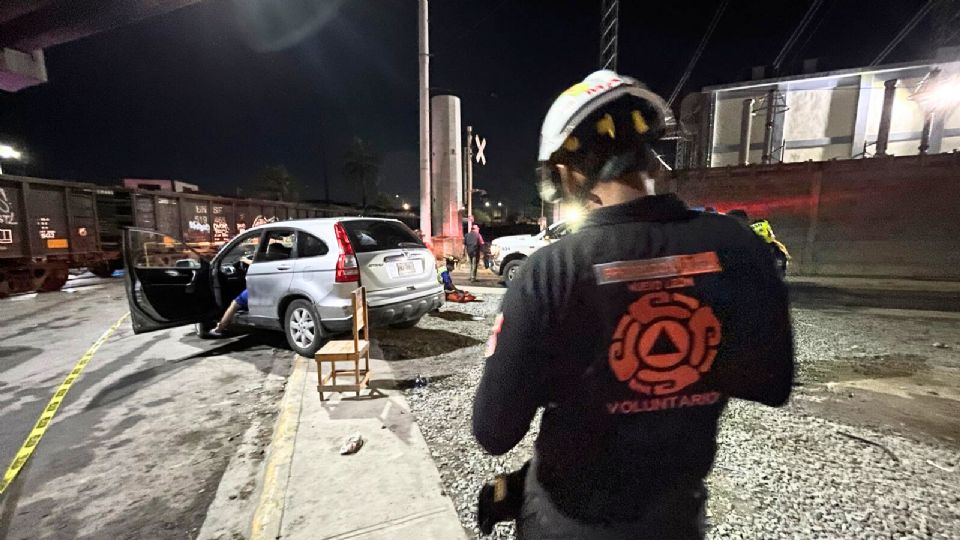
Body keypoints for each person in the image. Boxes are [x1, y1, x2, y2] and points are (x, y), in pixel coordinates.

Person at [472, 70, 794, 539]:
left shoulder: (550, 270)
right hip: (676, 514)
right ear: (650, 156)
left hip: (570, 519)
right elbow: (772, 382)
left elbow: (494, 430)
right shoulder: (738, 247)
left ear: (566, 172)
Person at [210, 254, 253, 337]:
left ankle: (219, 329)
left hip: (255, 288)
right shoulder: (276, 259)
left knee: (234, 304)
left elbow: (255, 265)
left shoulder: (265, 260)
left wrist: (244, 260)